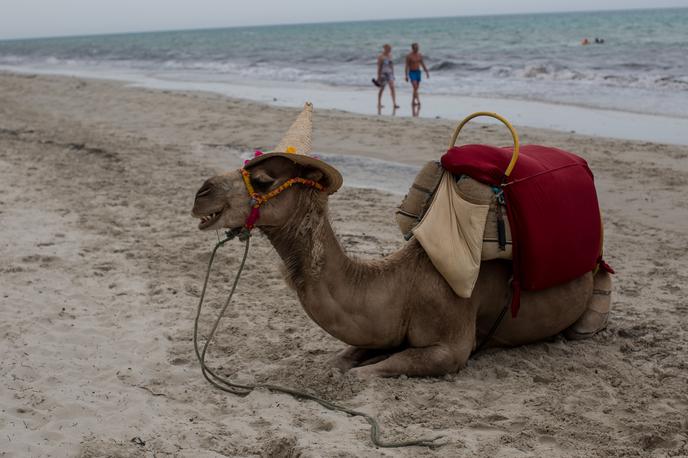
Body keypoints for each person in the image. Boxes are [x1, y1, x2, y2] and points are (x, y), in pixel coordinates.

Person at [405, 43, 430, 116]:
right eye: (416, 48)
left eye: (418, 48)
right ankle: (418, 101)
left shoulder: (419, 55)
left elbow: (422, 64)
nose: (417, 49)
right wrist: (406, 75)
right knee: (415, 87)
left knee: (416, 89)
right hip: (412, 72)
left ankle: (413, 101)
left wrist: (426, 72)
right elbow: (406, 66)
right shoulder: (409, 56)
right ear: (413, 48)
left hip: (418, 72)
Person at [374, 44, 400, 113]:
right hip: (383, 74)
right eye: (388, 48)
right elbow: (379, 67)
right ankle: (379, 103)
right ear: (385, 48)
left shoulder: (390, 56)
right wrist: (378, 77)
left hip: (390, 74)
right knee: (382, 88)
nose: (390, 50)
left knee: (392, 87)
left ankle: (394, 103)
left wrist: (393, 74)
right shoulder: (381, 57)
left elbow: (392, 65)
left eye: (390, 49)